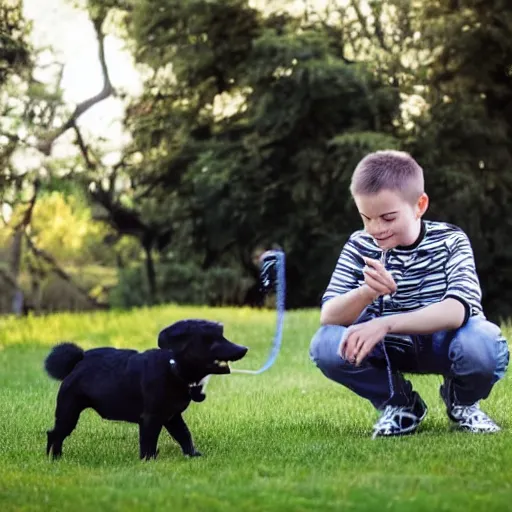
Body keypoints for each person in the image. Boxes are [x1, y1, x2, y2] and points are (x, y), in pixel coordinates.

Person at [309, 150, 510, 438]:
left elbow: (457, 310)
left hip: (445, 342)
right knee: (326, 345)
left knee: (483, 342)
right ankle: (401, 406)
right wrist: (368, 291)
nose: (376, 229)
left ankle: (462, 403)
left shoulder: (451, 240)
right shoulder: (358, 245)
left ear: (420, 205)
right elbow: (330, 315)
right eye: (366, 218)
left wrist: (386, 323)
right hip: (391, 348)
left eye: (388, 218)